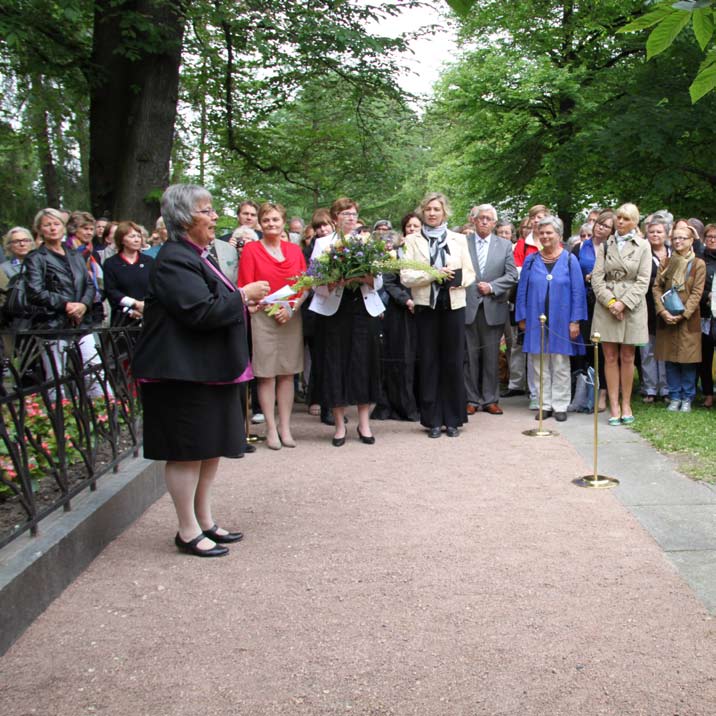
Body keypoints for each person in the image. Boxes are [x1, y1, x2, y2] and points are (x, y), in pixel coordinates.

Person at [132, 184, 270, 557]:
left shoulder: (198, 255)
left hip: (205, 369)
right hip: (180, 373)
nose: (214, 218)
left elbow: (212, 303)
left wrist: (241, 304)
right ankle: (187, 529)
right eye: (206, 211)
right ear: (183, 218)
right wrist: (242, 296)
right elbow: (199, 312)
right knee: (187, 451)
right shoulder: (175, 258)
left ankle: (205, 520)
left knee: (209, 449)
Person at [309, 197, 384, 446]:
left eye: (353, 214)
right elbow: (315, 283)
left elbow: (379, 281)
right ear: (335, 218)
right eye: (344, 214)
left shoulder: (368, 242)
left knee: (364, 364)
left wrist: (365, 276)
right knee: (336, 364)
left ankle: (364, 423)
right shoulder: (322, 244)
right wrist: (333, 282)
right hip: (335, 310)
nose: (350, 218)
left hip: (363, 308)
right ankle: (340, 425)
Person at [400, 192, 475, 438]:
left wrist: (458, 281)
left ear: (445, 212)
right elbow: (406, 276)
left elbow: (471, 273)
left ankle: (453, 419)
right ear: (423, 212)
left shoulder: (458, 239)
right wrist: (433, 274)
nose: (432, 213)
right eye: (429, 209)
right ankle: (432, 420)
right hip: (425, 307)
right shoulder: (412, 241)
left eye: (437, 209)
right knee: (430, 362)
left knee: (453, 362)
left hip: (453, 305)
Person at [238, 203, 306, 450]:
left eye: (275, 219)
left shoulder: (294, 250)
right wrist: (267, 307)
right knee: (266, 373)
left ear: (283, 222)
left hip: (289, 316)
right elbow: (246, 285)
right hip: (263, 316)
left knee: (288, 372)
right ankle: (269, 427)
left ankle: (285, 426)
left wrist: (291, 308)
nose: (271, 224)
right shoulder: (251, 250)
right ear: (260, 223)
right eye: (266, 220)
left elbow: (304, 284)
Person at [24, 208, 104, 396]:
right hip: (53, 326)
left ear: (64, 227)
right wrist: (66, 304)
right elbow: (35, 291)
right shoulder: (36, 258)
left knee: (95, 372)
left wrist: (83, 305)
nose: (52, 228)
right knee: (56, 379)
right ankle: (60, 420)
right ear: (39, 229)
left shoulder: (75, 255)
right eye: (47, 225)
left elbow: (89, 285)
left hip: (82, 323)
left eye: (56, 224)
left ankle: (103, 415)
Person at [515, 216, 587, 421]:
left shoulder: (570, 260)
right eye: (542, 233)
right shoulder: (531, 260)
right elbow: (522, 291)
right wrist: (521, 316)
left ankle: (560, 405)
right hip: (535, 319)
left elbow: (577, 292)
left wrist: (575, 321)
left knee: (560, 363)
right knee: (539, 364)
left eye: (549, 233)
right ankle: (543, 404)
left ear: (559, 235)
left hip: (562, 320)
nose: (545, 236)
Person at [591, 202, 651, 425]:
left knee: (628, 357)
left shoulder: (643, 246)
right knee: (609, 357)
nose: (620, 222)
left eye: (626, 218)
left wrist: (624, 304)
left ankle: (626, 403)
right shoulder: (605, 246)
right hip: (607, 306)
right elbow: (597, 279)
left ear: (634, 222)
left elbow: (643, 280)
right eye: (619, 217)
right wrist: (612, 302)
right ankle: (614, 404)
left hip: (632, 308)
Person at [464, 204, 517, 415]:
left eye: (488, 219)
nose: (484, 221)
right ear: (474, 221)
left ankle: (490, 399)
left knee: (491, 356)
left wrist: (492, 287)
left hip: (492, 307)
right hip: (468, 306)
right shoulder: (463, 243)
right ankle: (471, 399)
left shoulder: (504, 245)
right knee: (469, 356)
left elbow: (512, 275)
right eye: (480, 218)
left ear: (494, 223)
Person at [371, 215, 421, 422]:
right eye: (408, 226)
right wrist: (407, 300)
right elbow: (389, 282)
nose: (412, 229)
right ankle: (395, 405)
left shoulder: (425, 252)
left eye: (416, 226)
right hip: (398, 311)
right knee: (397, 359)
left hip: (421, 310)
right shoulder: (393, 256)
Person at [652, 223, 706, 412]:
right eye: (675, 238)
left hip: (688, 320)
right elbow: (657, 287)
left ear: (691, 240)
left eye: (682, 238)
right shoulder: (666, 262)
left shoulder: (698, 264)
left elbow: (697, 293)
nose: (678, 241)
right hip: (666, 318)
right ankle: (674, 396)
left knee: (688, 360)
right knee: (670, 360)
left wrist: (683, 314)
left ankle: (687, 397)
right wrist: (662, 311)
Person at [574, 209, 615, 411]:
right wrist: (586, 278)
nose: (600, 227)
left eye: (606, 226)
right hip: (584, 300)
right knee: (587, 345)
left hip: (606, 300)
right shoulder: (580, 246)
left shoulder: (614, 248)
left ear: (612, 231)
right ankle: (585, 391)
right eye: (599, 223)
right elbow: (573, 274)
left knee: (604, 347)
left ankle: (604, 393)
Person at [640, 214, 672, 403]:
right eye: (651, 231)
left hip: (668, 307)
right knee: (648, 349)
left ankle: (666, 387)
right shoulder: (643, 253)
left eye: (659, 231)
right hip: (646, 306)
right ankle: (650, 387)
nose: (655, 235)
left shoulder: (672, 253)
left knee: (665, 349)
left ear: (666, 233)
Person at [102, 221, 154, 326]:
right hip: (122, 320)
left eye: (139, 236)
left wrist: (145, 308)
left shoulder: (149, 261)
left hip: (148, 318)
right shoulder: (111, 263)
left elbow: (156, 287)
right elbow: (111, 291)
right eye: (132, 236)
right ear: (122, 240)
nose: (136, 239)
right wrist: (132, 307)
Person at [699, 224, 716, 408]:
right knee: (705, 356)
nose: (712, 239)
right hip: (704, 314)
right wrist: (707, 296)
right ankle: (707, 393)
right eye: (709, 236)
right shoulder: (700, 260)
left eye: (715, 236)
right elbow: (694, 287)